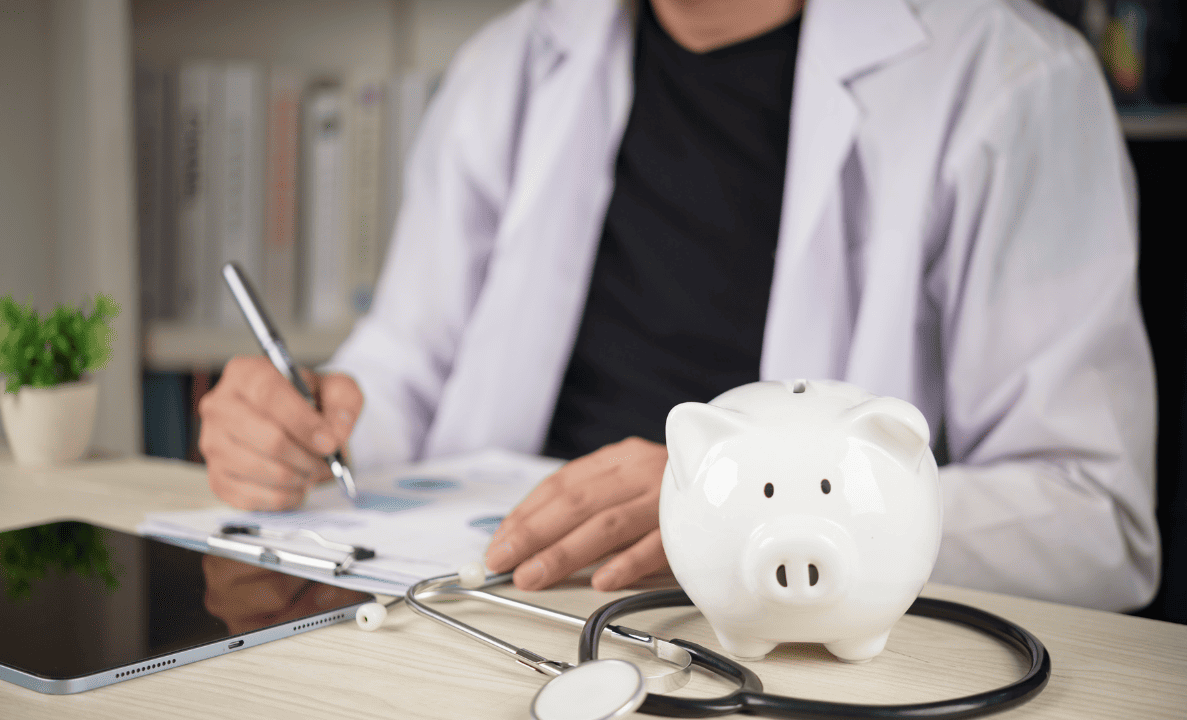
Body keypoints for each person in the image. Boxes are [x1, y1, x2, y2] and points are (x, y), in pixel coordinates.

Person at [198, 0, 1159, 612]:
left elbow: (1093, 521)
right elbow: (405, 363)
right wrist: (309, 425)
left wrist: (742, 506)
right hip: (497, 602)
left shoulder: (1011, 77)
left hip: (787, 645)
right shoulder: (514, 61)